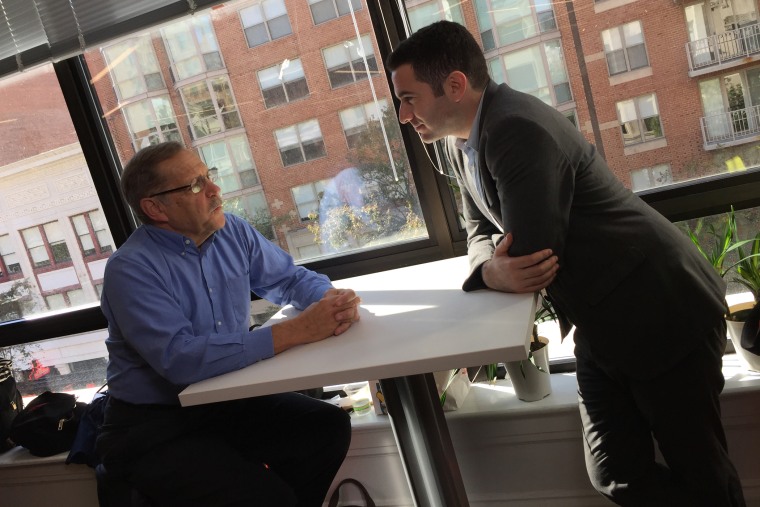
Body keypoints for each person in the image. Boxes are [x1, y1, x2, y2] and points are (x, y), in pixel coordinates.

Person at [387, 20, 745, 506]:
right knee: (614, 473)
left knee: (704, 476)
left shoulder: (514, 127)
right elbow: (479, 233)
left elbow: (533, 255)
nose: (403, 116)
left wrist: (493, 267)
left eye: (408, 99)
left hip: (663, 311)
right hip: (603, 324)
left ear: (454, 85)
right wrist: (489, 269)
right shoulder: (458, 142)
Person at [96, 141, 361, 506]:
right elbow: (181, 359)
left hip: (227, 401)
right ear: (155, 207)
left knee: (325, 428)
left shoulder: (231, 231)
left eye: (209, 176)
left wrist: (331, 301)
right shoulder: (131, 268)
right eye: (194, 185)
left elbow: (287, 280)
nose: (214, 190)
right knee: (270, 498)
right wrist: (298, 330)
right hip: (154, 426)